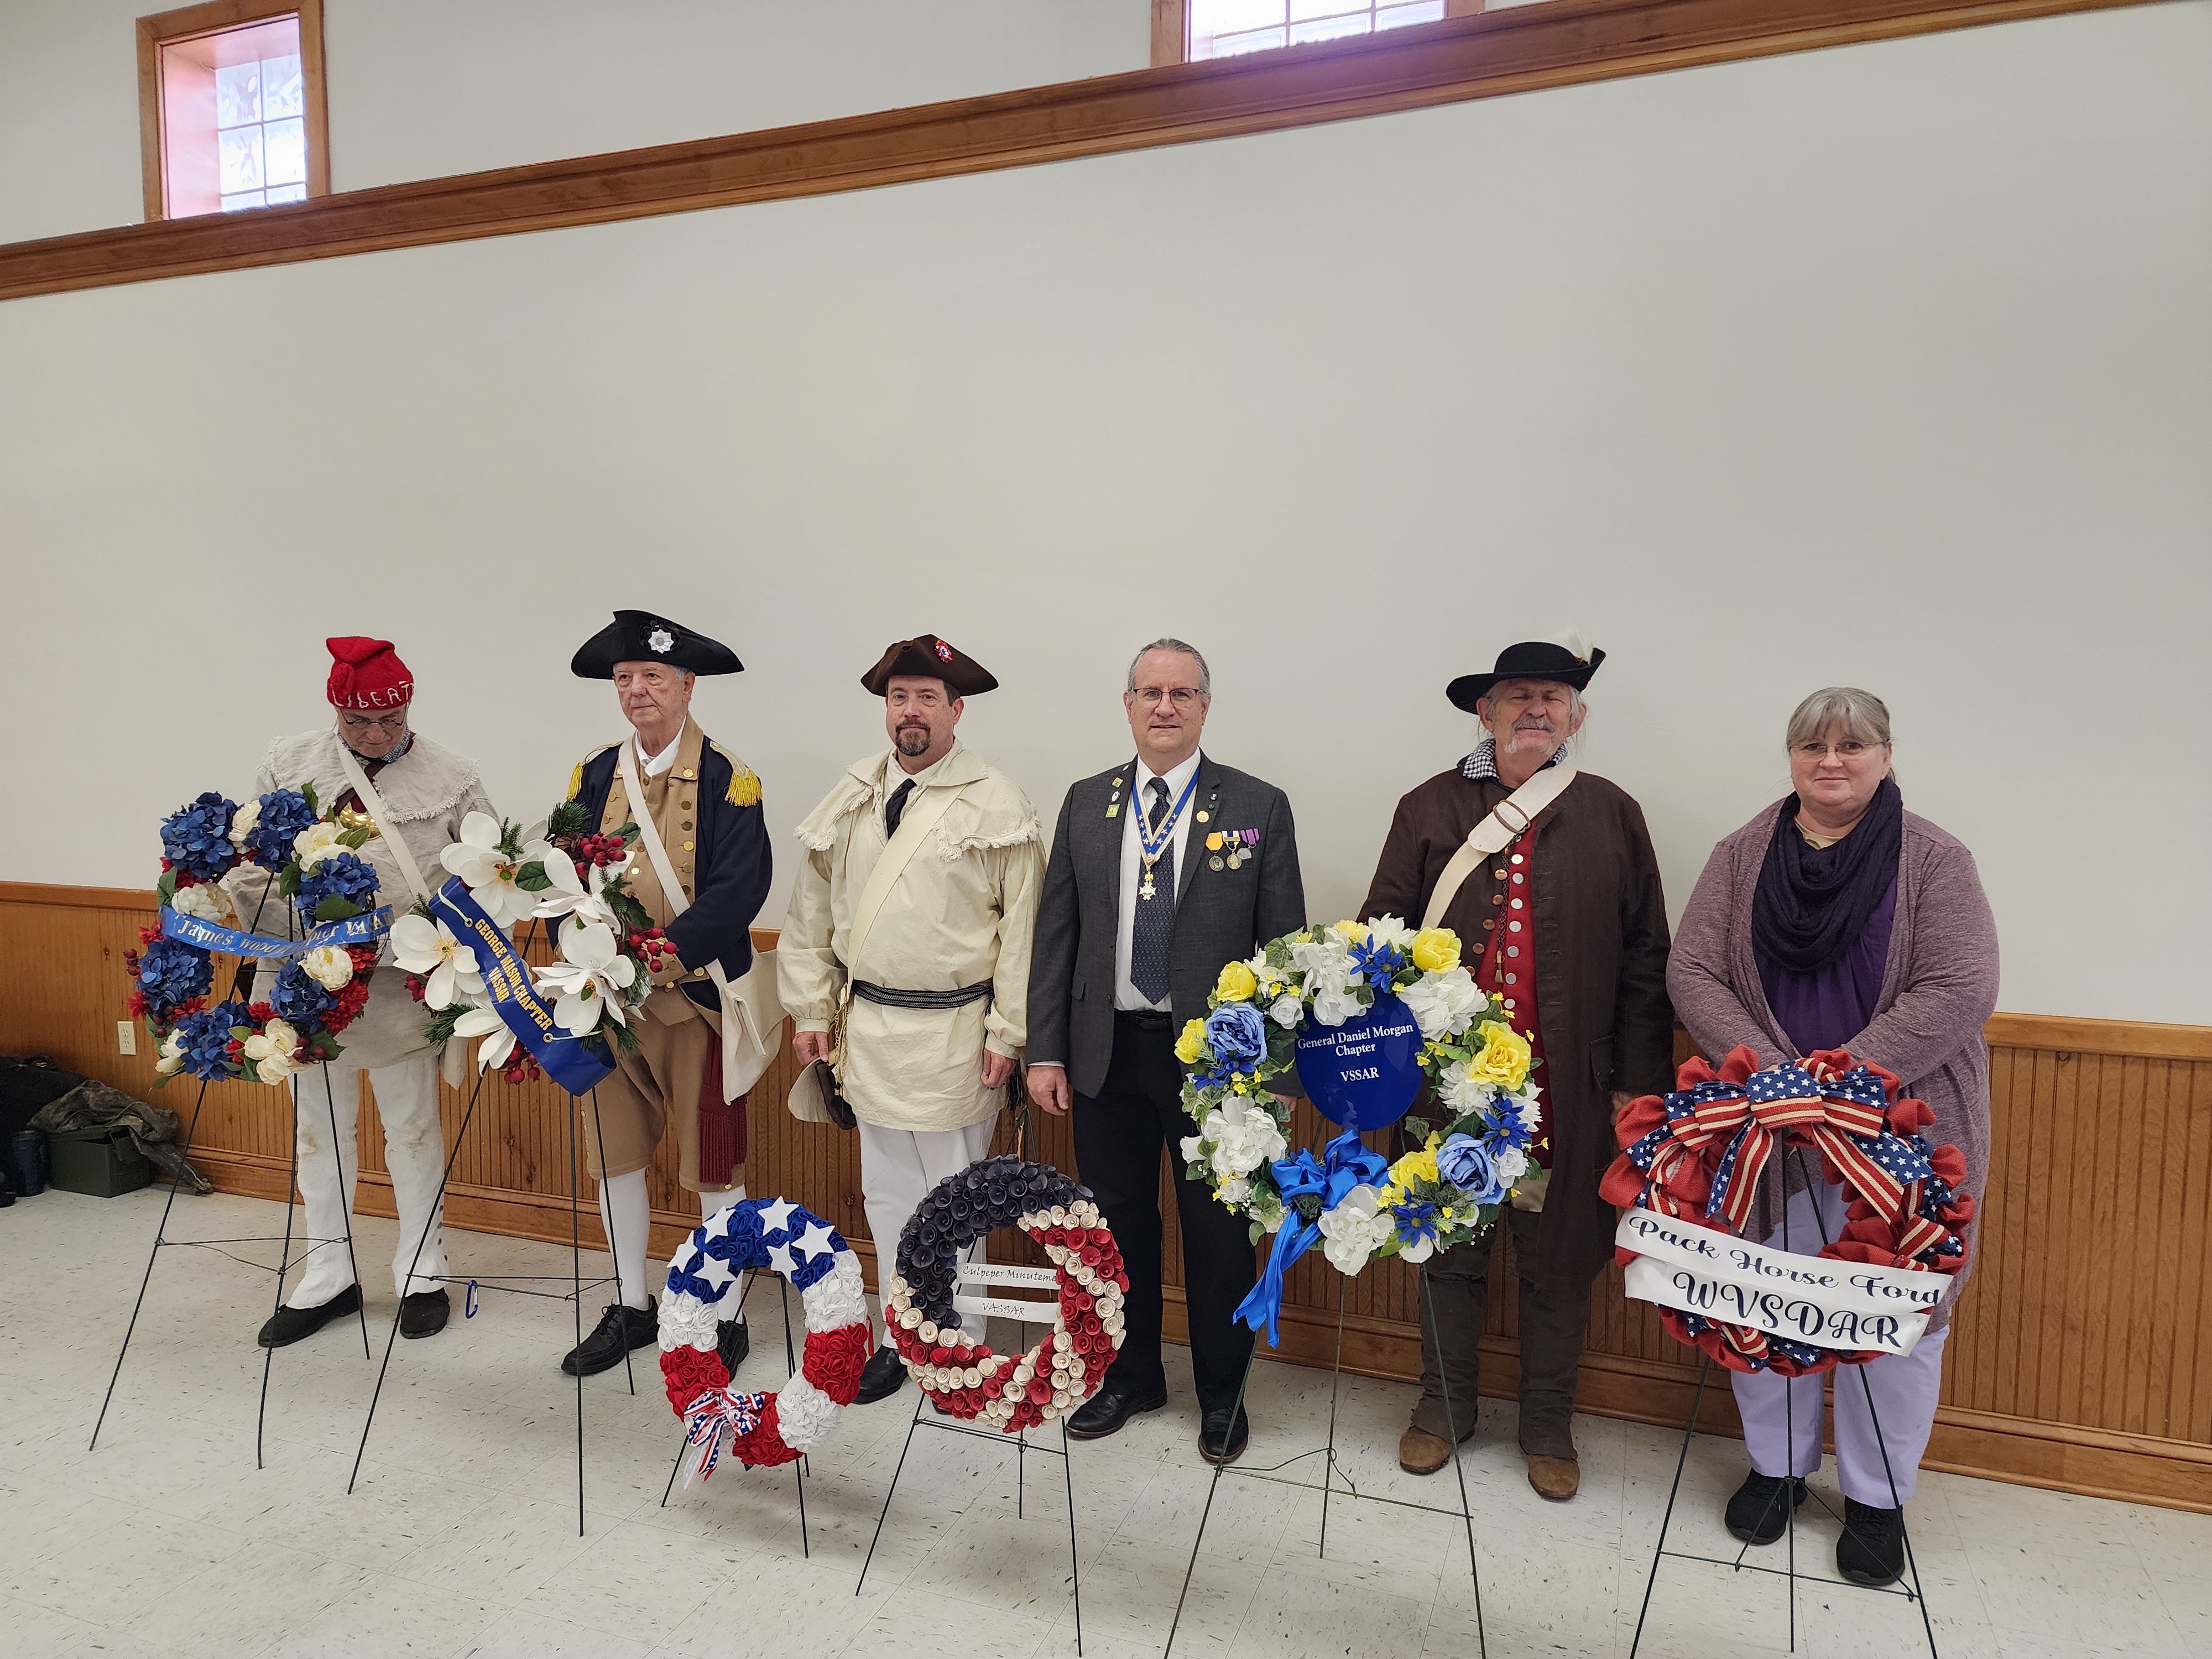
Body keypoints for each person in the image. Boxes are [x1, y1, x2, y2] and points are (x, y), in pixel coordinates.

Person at [1667, 686, 1997, 1587]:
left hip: (1901, 1133)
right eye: (1813, 744)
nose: (1832, 759)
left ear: (1886, 756)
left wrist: (1835, 1080)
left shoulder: (1935, 860)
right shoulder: (1743, 855)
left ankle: (1876, 1499)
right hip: (1766, 1129)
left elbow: (1960, 988)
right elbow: (1692, 969)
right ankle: (1775, 1472)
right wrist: (1777, 1078)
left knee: (1891, 1320)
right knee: (1762, 1297)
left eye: (1853, 744)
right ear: (1791, 757)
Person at [1359, 637, 1672, 1500]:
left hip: (1564, 1089)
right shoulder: (1428, 807)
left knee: (1558, 1256)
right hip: (1444, 1089)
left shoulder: (1612, 811)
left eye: (1556, 697)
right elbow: (1378, 938)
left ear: (1575, 715)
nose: (1539, 709)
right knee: (1448, 1250)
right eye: (1521, 696)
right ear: (1484, 711)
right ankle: (1443, 1409)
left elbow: (1649, 956)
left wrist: (1635, 1083)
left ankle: (1546, 1422)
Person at [1027, 639, 1305, 1465]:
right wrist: (1046, 1051)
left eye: (1182, 693)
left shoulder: (1257, 804)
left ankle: (1223, 1396)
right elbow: (1057, 938)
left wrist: (1278, 1075)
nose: (1165, 707)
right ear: (1128, 704)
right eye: (1150, 691)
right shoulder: (1087, 802)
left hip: (1216, 1068)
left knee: (1218, 1235)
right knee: (1117, 1229)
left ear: (1205, 708)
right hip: (1104, 1051)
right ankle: (1133, 1375)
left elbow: (1282, 951)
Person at [779, 635, 1044, 1405]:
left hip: (956, 1033)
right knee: (888, 1194)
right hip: (870, 1028)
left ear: (956, 710)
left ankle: (957, 1343)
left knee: (954, 1197)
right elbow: (810, 911)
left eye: (928, 697)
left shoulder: (996, 799)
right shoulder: (855, 791)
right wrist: (810, 1004)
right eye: (900, 698)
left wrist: (1009, 1032)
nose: (911, 712)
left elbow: (1024, 928)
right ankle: (903, 1336)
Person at [226, 637, 497, 1348]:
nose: (376, 735)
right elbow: (253, 865)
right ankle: (328, 1273)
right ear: (336, 713)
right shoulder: (289, 764)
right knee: (317, 1128)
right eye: (358, 724)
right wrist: (304, 938)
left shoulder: (453, 775)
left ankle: (422, 1270)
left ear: (408, 707)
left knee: (411, 1127)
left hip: (404, 980)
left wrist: (419, 939)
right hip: (306, 976)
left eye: (390, 720)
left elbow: (481, 871)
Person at [557, 610, 773, 1376]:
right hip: (609, 1005)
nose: (638, 691)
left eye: (653, 677)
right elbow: (566, 881)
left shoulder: (727, 776)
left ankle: (720, 1315)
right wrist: (582, 959)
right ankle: (630, 1304)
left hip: (695, 1000)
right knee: (614, 1157)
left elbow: (739, 889)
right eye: (625, 679)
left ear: (687, 686)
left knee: (715, 1162)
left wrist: (654, 958)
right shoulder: (591, 776)